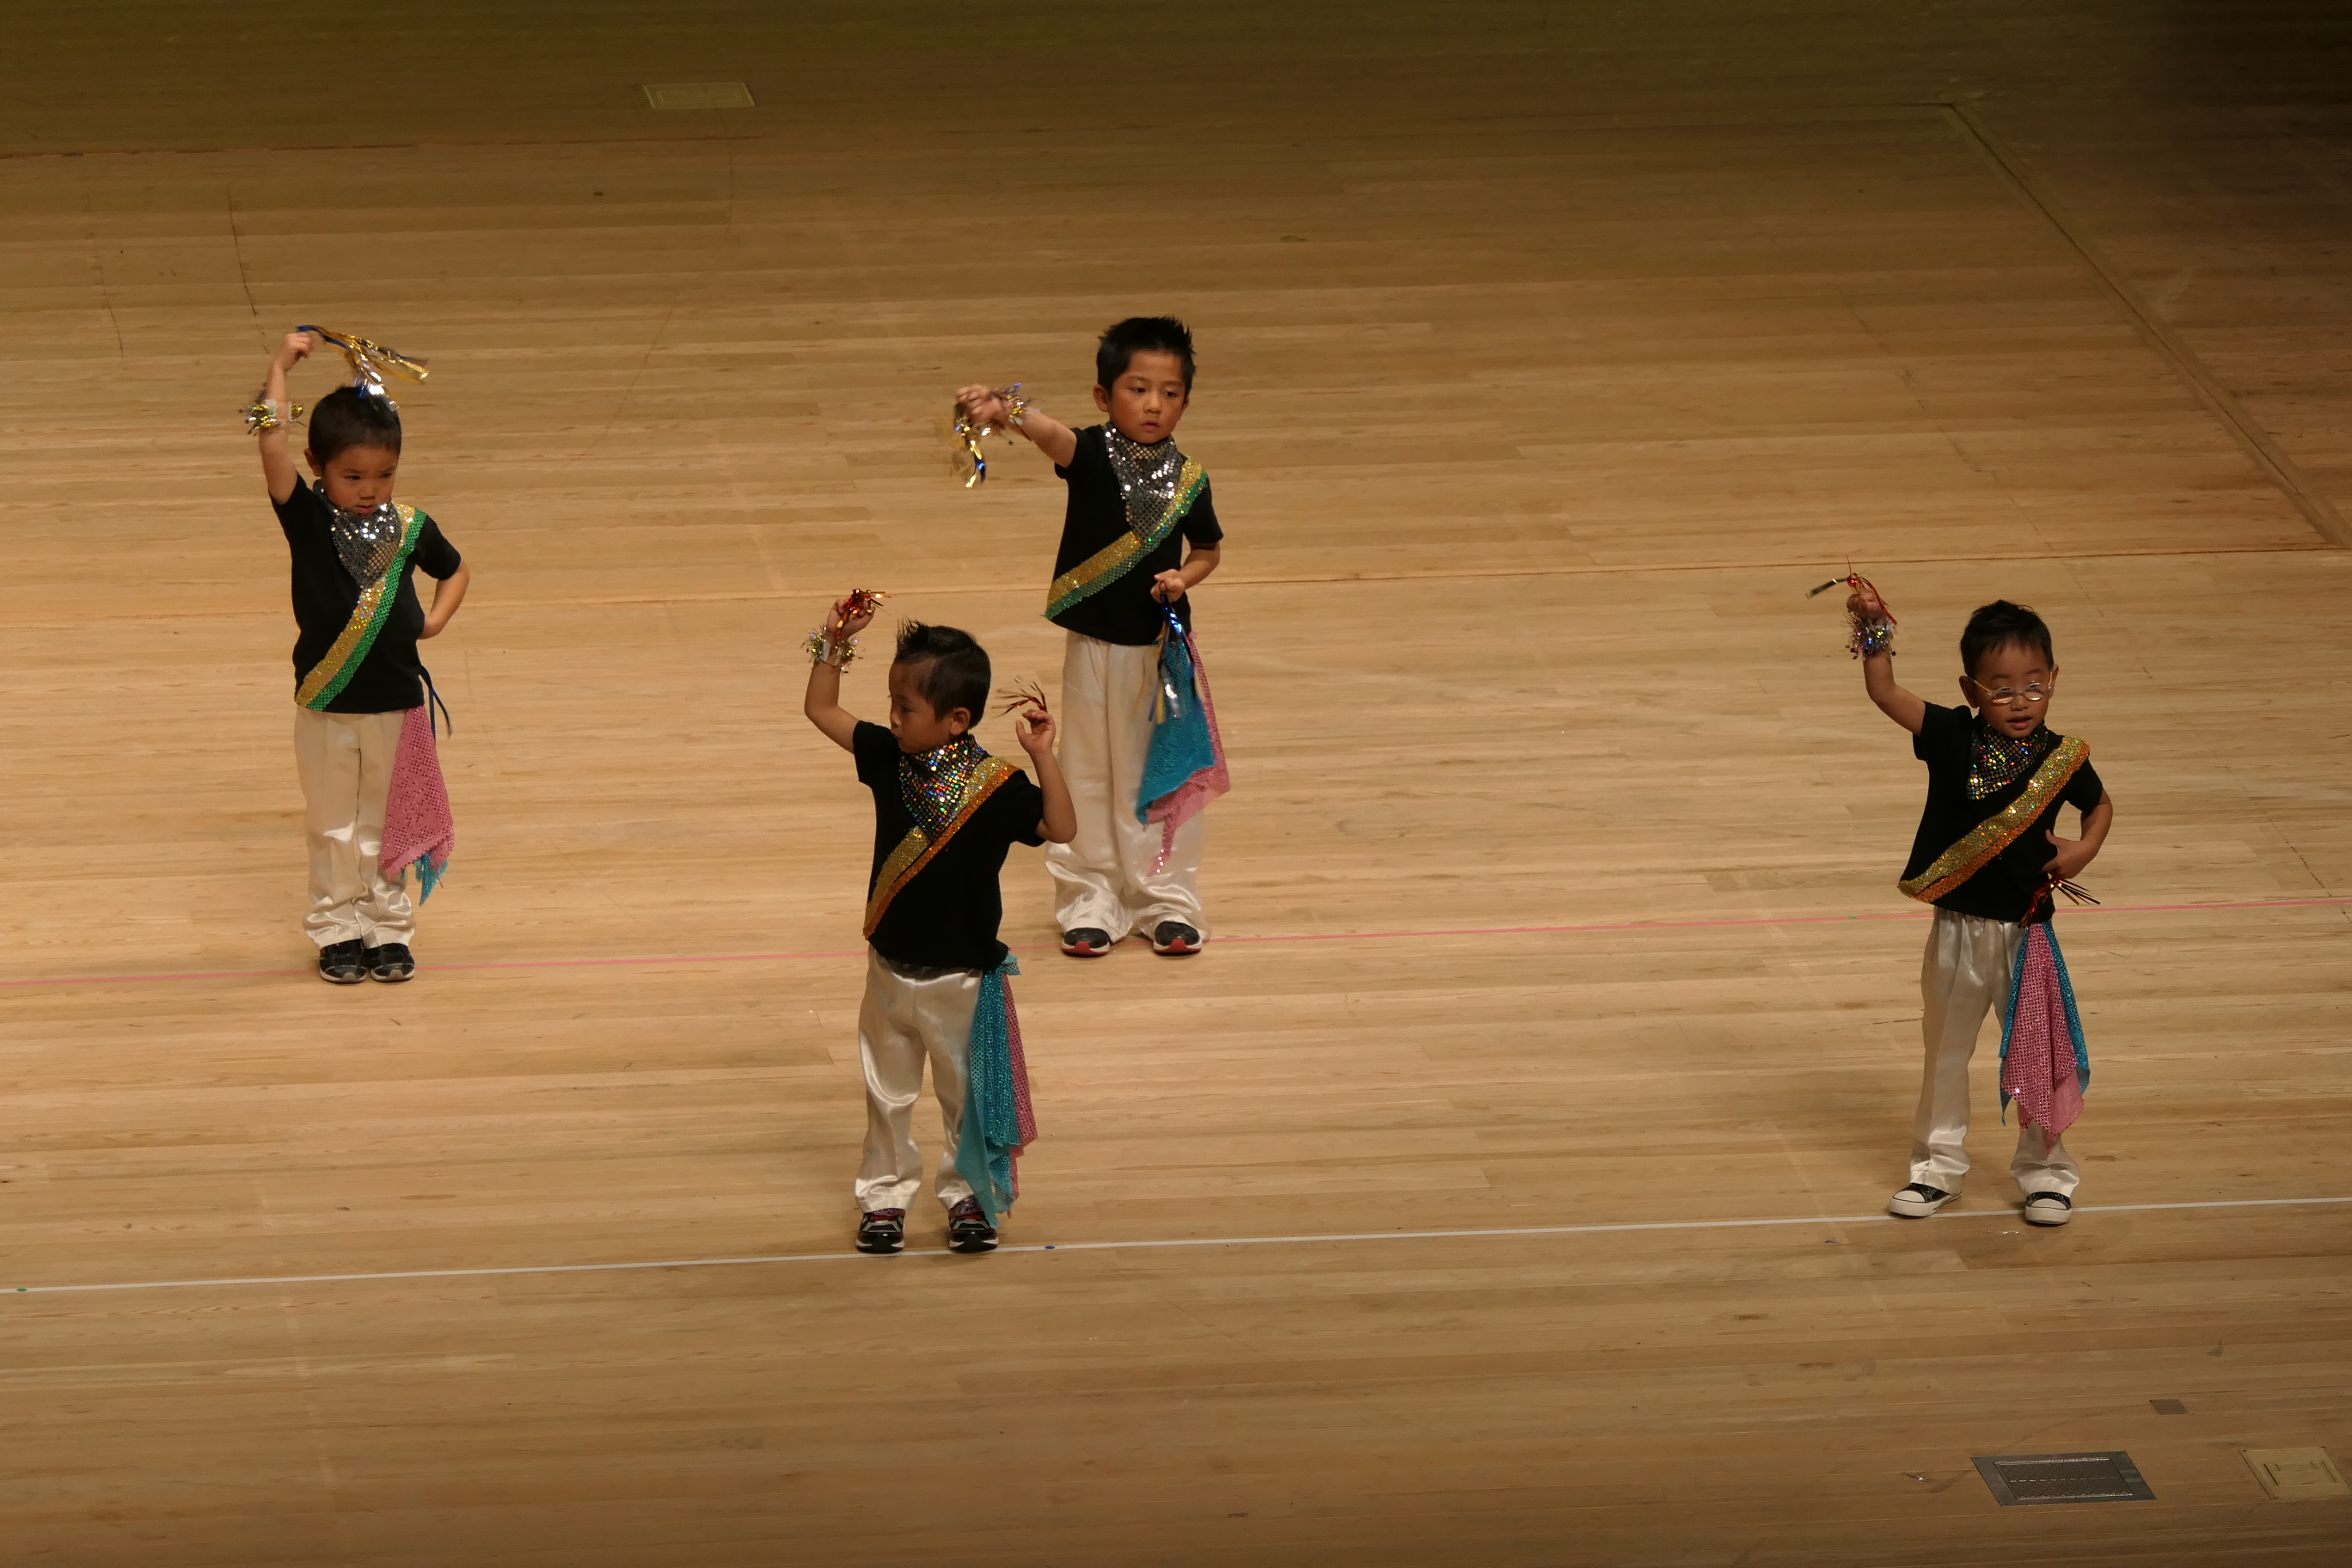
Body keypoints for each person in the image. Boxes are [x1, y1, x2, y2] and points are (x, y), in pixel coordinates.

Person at [803, 598, 1076, 1254]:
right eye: (892, 704)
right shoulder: (887, 758)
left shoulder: (997, 786)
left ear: (957, 719)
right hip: (889, 971)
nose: (893, 718)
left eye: (906, 708)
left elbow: (1060, 827)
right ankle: (884, 1198)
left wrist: (1043, 755)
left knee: (964, 1100)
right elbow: (822, 709)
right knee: (887, 1095)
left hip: (963, 980)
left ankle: (968, 1197)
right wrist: (834, 642)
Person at [953, 315, 1225, 959]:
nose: (1153, 404)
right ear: (1104, 396)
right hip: (1092, 650)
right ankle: (1091, 897)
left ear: (1186, 401)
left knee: (1154, 773)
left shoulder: (1190, 478)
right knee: (1088, 768)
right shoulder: (1091, 454)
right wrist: (1005, 409)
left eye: (1169, 393)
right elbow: (1050, 434)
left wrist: (1183, 578)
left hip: (1157, 654)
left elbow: (1208, 550)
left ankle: (1165, 901)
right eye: (1138, 389)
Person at [1846, 583, 2113, 1226]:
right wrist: (1874, 628)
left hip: (2027, 937)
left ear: (2054, 680)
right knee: (1945, 1053)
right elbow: (1884, 692)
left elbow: (2099, 805)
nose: (2020, 701)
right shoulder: (1950, 736)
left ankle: (2046, 1173)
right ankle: (1937, 1169)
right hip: (1955, 933)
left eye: (2035, 686)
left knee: (2040, 1057)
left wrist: (2085, 849)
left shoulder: (2064, 758)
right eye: (2001, 688)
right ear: (1971, 689)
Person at [251, 329, 469, 984]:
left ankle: (387, 929)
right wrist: (280, 365)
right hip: (326, 704)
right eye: (352, 476)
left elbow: (455, 571)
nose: (370, 488)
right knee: (331, 826)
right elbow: (270, 441)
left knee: (384, 825)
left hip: (396, 705)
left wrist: (434, 620)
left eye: (384, 474)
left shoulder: (412, 526)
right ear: (317, 465)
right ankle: (336, 929)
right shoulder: (306, 519)